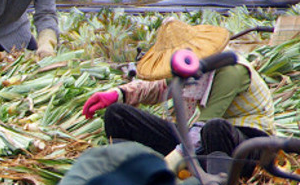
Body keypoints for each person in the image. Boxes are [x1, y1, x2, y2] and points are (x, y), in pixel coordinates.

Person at [81, 18, 276, 165]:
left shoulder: (231, 70)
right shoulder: (187, 69)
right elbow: (162, 87)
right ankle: (126, 169)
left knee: (214, 129)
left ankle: (211, 182)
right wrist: (119, 94)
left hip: (246, 145)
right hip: (199, 143)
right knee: (118, 114)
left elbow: (203, 125)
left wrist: (168, 166)